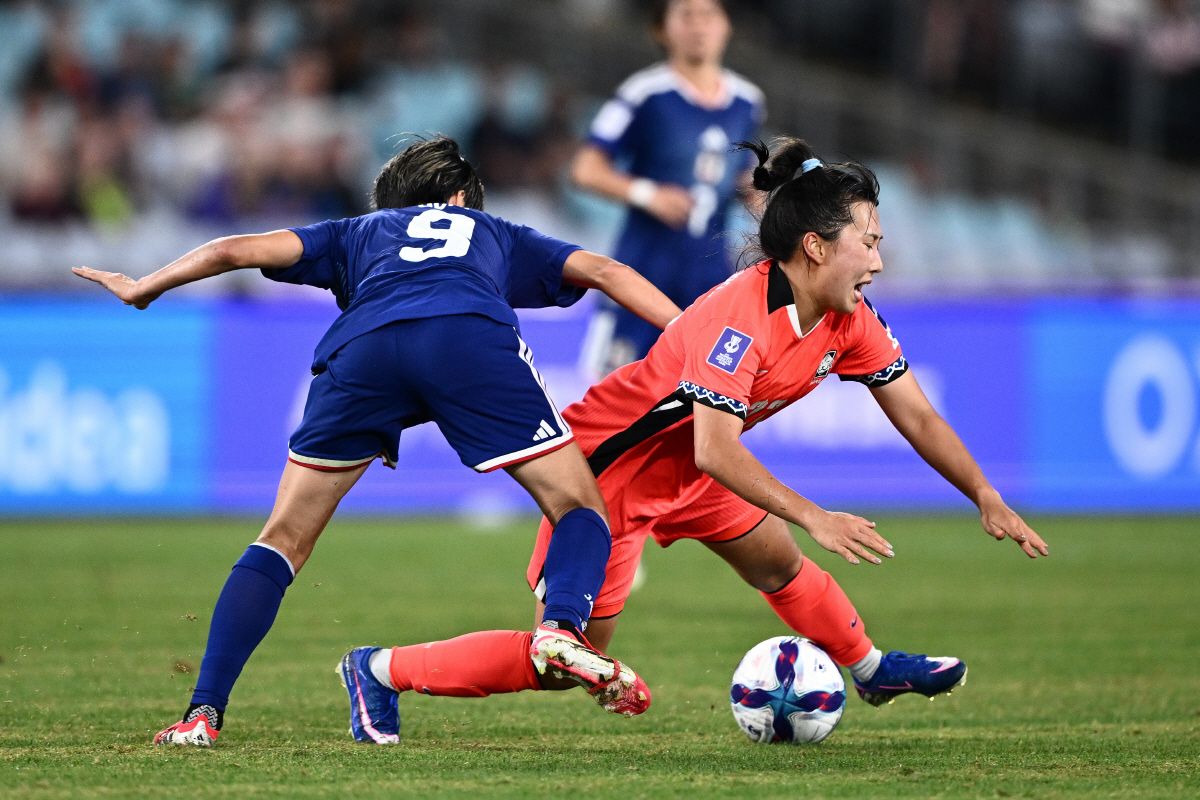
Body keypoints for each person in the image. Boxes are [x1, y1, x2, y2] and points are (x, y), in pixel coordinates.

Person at [359, 137, 1048, 718]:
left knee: (776, 561)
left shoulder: (851, 320)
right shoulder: (739, 320)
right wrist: (817, 515)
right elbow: (717, 447)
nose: (878, 260)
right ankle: (380, 669)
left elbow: (917, 414)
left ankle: (869, 671)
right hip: (608, 477)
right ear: (815, 246)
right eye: (867, 243)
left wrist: (984, 494)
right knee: (564, 663)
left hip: (688, 468)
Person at [73, 136, 683, 746]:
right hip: (467, 340)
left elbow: (234, 249)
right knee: (577, 504)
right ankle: (561, 628)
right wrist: (689, 333)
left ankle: (201, 713)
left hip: (363, 350)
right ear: (458, 198)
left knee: (282, 537)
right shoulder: (491, 230)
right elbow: (607, 272)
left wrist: (147, 285)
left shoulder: (357, 231)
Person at [571, 0, 764, 370]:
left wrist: (761, 196)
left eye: (708, 15)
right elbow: (584, 169)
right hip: (644, 271)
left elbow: (742, 176)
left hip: (711, 276)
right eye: (686, 15)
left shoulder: (748, 101)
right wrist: (647, 194)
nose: (698, 26)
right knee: (615, 388)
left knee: (709, 390)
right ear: (661, 29)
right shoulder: (644, 93)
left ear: (727, 26)